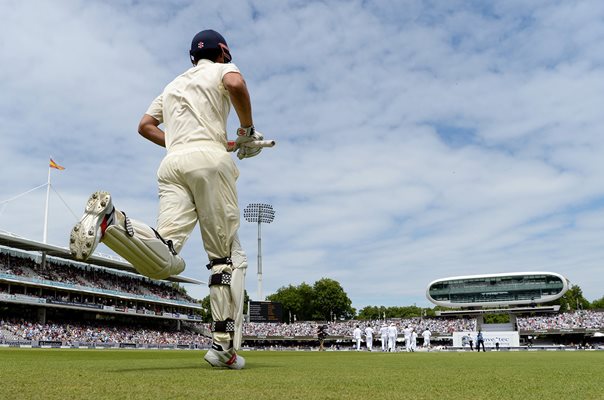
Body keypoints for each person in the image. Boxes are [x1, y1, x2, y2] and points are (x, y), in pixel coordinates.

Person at [69, 29, 264, 370]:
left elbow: (145, 125)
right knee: (225, 259)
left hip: (172, 164)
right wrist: (246, 134)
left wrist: (190, 144)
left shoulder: (173, 86)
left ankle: (113, 223)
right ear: (223, 51)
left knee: (167, 256)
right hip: (210, 163)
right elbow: (236, 86)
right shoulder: (222, 70)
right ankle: (222, 347)